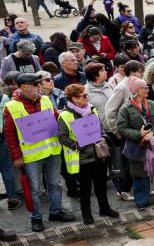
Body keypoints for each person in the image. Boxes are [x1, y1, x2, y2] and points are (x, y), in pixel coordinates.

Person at [4, 72, 72, 231]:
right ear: (23, 87)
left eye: (38, 84)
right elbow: (9, 134)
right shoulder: (11, 106)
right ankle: (36, 218)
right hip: (31, 156)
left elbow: (56, 118)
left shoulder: (46, 100)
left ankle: (55, 211)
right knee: (34, 190)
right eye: (35, 84)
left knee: (55, 184)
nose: (38, 87)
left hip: (52, 151)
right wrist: (16, 157)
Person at [57, 83, 117, 224]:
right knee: (85, 189)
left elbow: (100, 128)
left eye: (86, 95)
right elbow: (62, 137)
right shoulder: (65, 115)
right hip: (81, 158)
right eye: (83, 96)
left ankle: (105, 208)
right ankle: (86, 214)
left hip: (98, 154)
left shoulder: (91, 109)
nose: (87, 98)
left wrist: (103, 137)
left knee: (101, 185)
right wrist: (77, 146)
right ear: (74, 98)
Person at [114, 77, 154, 209]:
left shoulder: (152, 104)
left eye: (147, 87)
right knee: (139, 172)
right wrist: (139, 134)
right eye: (144, 88)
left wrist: (153, 132)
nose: (147, 89)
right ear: (136, 91)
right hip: (138, 146)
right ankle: (141, 200)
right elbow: (122, 129)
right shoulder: (125, 108)